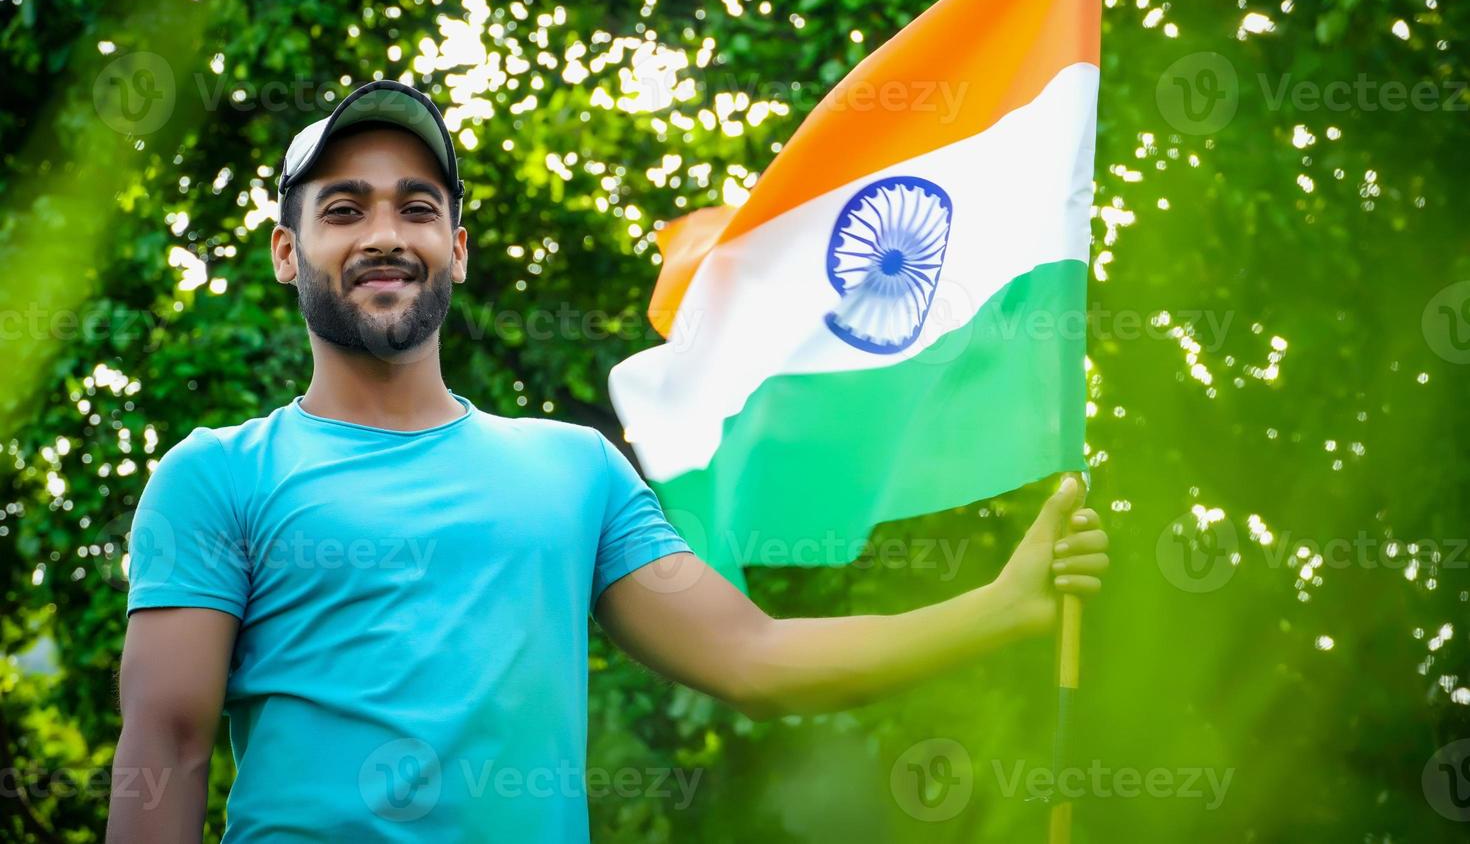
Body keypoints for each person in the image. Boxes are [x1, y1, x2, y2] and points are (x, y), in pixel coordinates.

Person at [105, 80, 1109, 842]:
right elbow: (168, 745)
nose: (384, 235)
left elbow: (754, 656)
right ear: (287, 250)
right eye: (343, 209)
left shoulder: (573, 470)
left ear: (456, 245)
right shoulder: (215, 475)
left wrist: (1001, 605)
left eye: (416, 208)